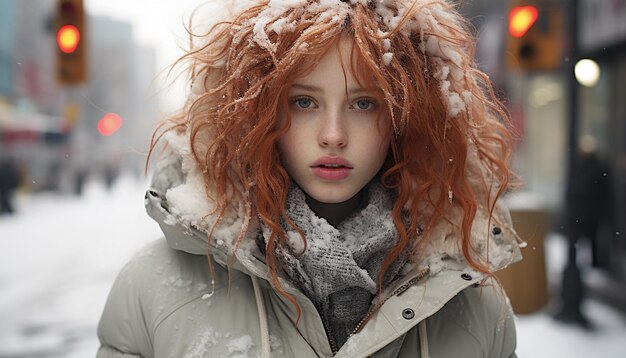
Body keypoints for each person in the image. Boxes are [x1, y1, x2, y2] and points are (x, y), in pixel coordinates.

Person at [97, 1, 524, 357]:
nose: (333, 135)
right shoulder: (154, 287)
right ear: (254, 111)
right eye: (304, 101)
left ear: (405, 117)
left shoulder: (475, 307)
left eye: (363, 104)